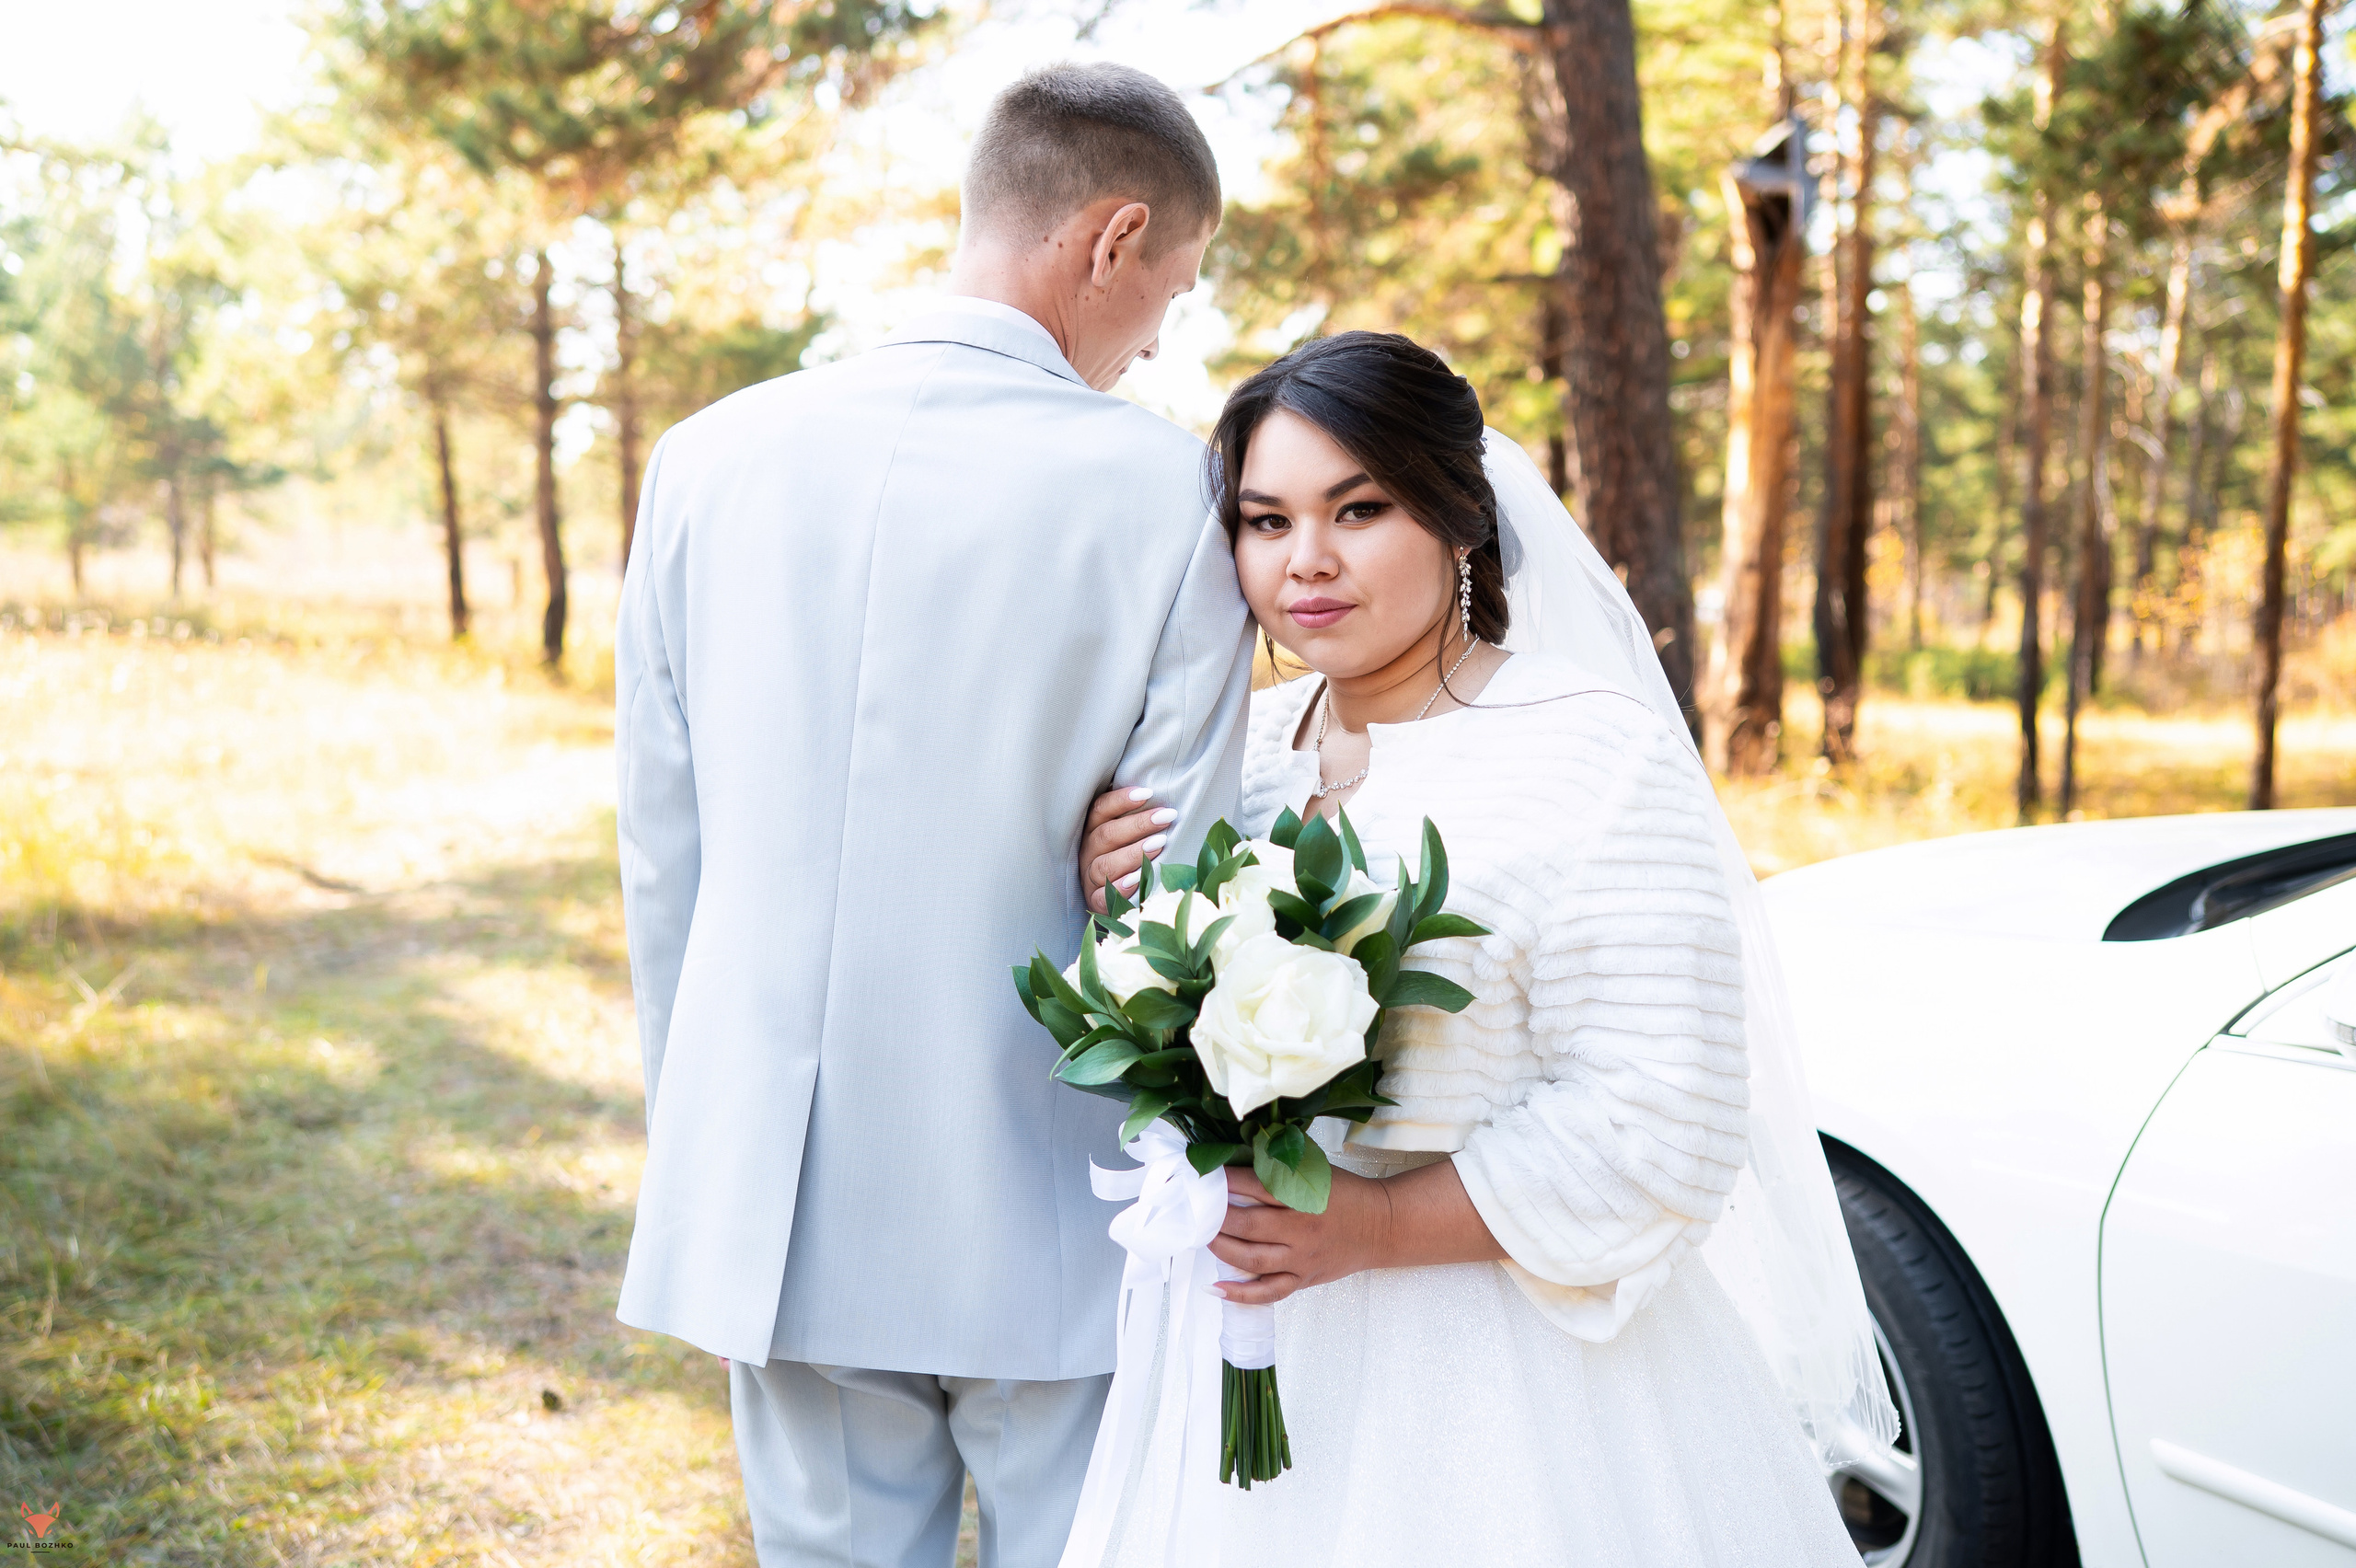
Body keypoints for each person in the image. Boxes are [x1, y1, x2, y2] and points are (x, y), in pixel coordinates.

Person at [1069, 331, 1894, 1565]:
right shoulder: (1234, 753)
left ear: (1460, 516)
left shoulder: (1587, 752)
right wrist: (1119, 909)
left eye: (1360, 509)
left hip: (1508, 1390)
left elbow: (1665, 1115)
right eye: (1264, 519)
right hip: (1239, 1353)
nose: (1307, 563)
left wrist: (1373, 1227)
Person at [612, 64, 1255, 1568]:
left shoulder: (705, 457)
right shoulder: (1168, 493)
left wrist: (708, 1127)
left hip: (777, 1193)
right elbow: (1184, 885)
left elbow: (665, 850)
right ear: (1114, 239)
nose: (1164, 328)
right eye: (1176, 284)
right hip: (1058, 1195)